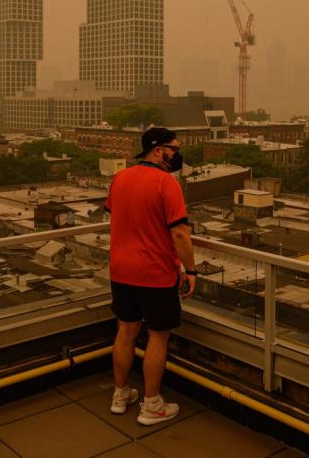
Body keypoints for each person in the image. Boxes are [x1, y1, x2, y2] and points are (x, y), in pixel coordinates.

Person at [104, 127, 197, 425]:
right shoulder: (166, 183)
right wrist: (191, 270)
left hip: (121, 269)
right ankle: (152, 404)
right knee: (158, 336)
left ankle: (120, 395)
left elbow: (117, 216)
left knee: (126, 331)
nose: (177, 154)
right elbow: (180, 233)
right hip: (155, 273)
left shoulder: (120, 178)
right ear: (158, 151)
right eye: (174, 148)